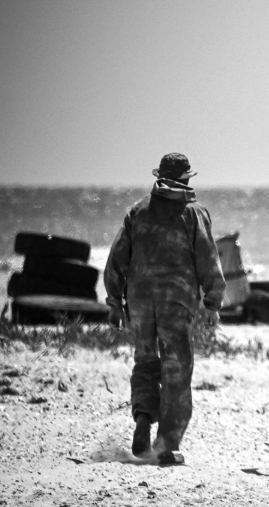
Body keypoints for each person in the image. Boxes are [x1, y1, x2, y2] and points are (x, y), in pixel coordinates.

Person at [104, 152, 225, 464]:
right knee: (176, 370)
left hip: (140, 300)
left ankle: (143, 416)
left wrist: (115, 300)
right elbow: (208, 259)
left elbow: (118, 257)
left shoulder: (138, 210)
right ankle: (167, 444)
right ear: (186, 178)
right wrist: (213, 302)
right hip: (177, 300)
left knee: (145, 362)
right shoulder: (194, 213)